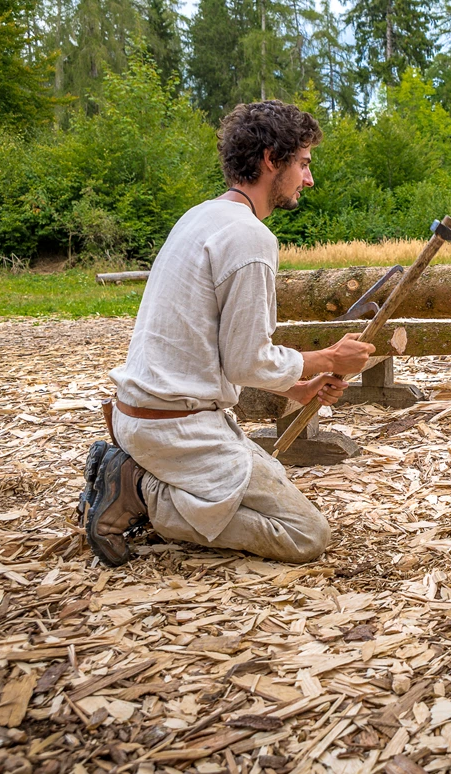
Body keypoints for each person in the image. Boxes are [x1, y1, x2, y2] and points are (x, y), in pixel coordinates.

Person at [76, 100, 375, 567]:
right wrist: (331, 359)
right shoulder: (250, 238)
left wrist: (297, 387)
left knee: (254, 494)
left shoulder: (200, 216)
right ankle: (137, 488)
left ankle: (142, 475)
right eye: (303, 163)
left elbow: (208, 347)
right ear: (271, 159)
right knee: (307, 535)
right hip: (176, 429)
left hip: (142, 415)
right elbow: (246, 362)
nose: (308, 179)